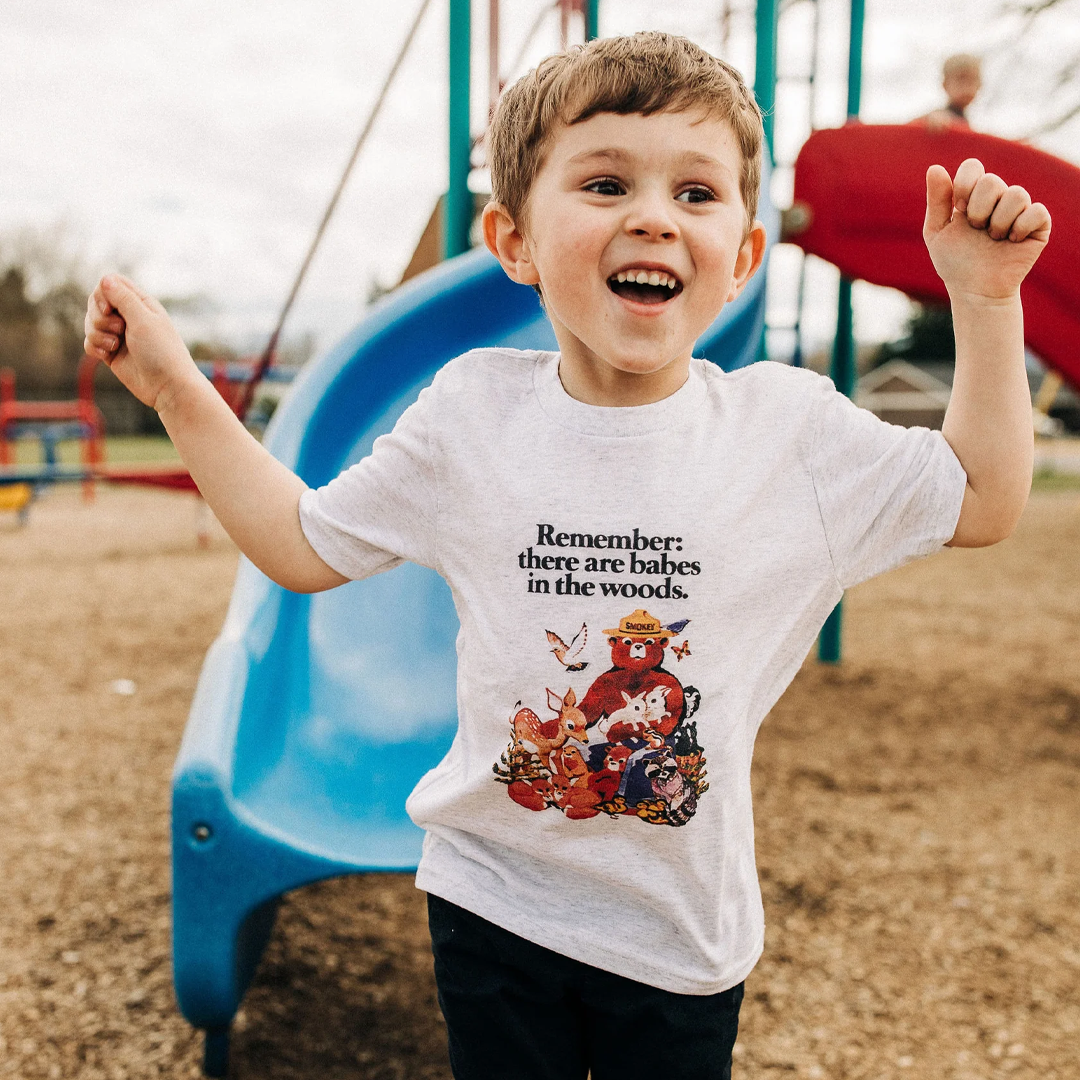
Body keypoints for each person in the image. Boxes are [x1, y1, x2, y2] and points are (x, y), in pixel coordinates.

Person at [84, 32, 1050, 1080]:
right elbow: (302, 544)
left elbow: (984, 498)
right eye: (604, 182)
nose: (652, 216)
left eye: (696, 192)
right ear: (515, 241)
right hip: (491, 902)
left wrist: (987, 304)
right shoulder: (470, 416)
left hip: (680, 937)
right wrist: (179, 391)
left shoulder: (791, 435)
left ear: (745, 255)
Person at [918, 52, 982, 130]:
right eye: (961, 79)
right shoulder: (941, 118)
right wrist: (930, 119)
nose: (966, 87)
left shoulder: (966, 123)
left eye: (972, 80)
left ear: (979, 85)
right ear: (945, 84)